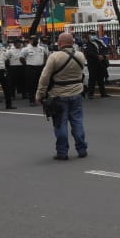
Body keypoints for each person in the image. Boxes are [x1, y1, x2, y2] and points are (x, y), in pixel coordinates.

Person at [35, 32, 88, 160]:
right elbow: (82, 74)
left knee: (60, 124)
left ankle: (62, 152)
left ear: (59, 43)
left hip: (58, 95)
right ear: (72, 42)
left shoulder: (54, 57)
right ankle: (82, 149)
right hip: (76, 93)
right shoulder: (80, 55)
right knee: (77, 122)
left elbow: (45, 77)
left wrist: (40, 94)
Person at [21, 35, 47, 105]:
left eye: (36, 39)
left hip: (40, 67)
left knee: (40, 84)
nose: (35, 41)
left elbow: (45, 55)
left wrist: (43, 63)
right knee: (31, 85)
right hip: (30, 68)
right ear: (30, 41)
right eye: (33, 39)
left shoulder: (41, 48)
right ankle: (32, 100)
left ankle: (40, 99)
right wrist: (27, 64)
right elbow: (21, 58)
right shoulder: (25, 49)